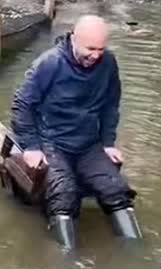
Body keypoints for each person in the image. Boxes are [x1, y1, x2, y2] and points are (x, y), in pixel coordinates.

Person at [9, 15, 142, 250]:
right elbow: (22, 104)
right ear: (74, 39)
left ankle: (137, 251)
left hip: (88, 143)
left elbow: (111, 104)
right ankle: (66, 260)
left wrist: (108, 142)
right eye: (90, 48)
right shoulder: (49, 63)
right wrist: (31, 146)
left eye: (101, 49)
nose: (96, 55)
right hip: (52, 141)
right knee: (63, 194)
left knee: (116, 189)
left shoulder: (108, 63)